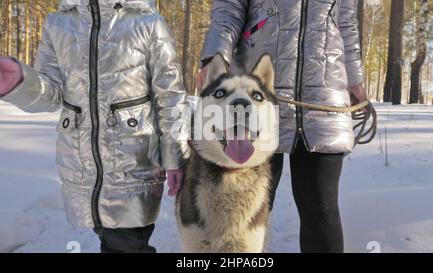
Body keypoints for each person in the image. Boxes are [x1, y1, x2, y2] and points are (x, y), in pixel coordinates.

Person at [0, 0, 189, 253]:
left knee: (125, 244)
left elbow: (171, 94)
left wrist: (175, 155)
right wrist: (22, 82)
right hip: (80, 166)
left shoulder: (147, 22)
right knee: (109, 237)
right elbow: (53, 95)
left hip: (133, 162)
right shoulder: (58, 23)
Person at [197, 0, 367, 253]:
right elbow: (228, 11)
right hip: (259, 95)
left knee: (321, 207)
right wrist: (216, 54)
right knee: (244, 210)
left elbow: (346, 25)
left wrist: (355, 81)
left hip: (324, 98)